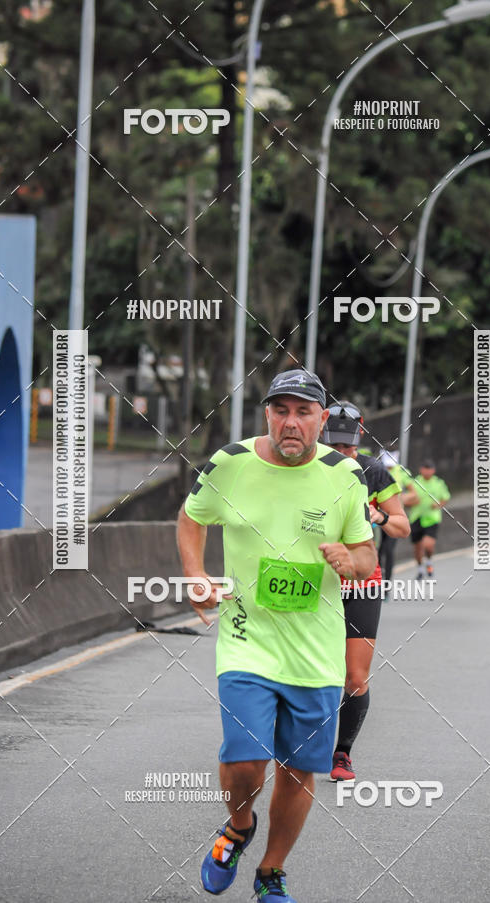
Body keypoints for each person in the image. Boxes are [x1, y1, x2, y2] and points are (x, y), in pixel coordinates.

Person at [177, 369, 376, 903]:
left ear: (321, 419)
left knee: (300, 768)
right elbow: (192, 518)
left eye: (303, 412)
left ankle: (271, 872)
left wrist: (349, 559)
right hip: (248, 639)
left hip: (315, 652)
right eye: (280, 410)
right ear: (267, 413)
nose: (291, 422)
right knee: (245, 757)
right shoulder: (232, 463)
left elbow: (367, 556)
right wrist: (196, 575)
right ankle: (238, 828)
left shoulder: (344, 477)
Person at [321, 402, 410, 782]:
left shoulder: (374, 471)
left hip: (361, 583)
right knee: (310, 672)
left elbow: (403, 527)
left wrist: (381, 516)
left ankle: (342, 754)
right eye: (335, 446)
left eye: (349, 446)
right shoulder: (306, 467)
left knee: (354, 677)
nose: (343, 453)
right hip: (315, 581)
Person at [403, 460, 450, 579]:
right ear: (421, 469)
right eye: (425, 468)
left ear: (433, 470)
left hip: (432, 518)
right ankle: (419, 569)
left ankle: (429, 561)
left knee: (428, 545)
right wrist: (411, 502)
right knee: (417, 547)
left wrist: (438, 505)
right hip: (416, 517)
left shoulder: (439, 483)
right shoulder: (414, 483)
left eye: (430, 469)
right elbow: (406, 500)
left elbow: (445, 498)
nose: (427, 471)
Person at [377, 449, 412, 584]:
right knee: (378, 551)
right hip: (377, 519)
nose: (389, 467)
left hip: (394, 519)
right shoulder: (377, 470)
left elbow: (414, 494)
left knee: (389, 551)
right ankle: (379, 581)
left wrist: (401, 499)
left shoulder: (402, 472)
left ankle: (387, 584)